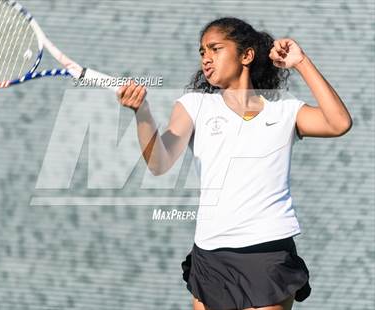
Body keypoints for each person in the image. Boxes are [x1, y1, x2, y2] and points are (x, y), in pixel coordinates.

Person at [117, 17, 352, 310]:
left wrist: (301, 62)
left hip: (267, 254)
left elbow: (339, 123)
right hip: (210, 256)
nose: (206, 58)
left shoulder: (285, 109)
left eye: (215, 48)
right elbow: (159, 162)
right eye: (202, 52)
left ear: (246, 55)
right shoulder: (194, 105)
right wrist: (142, 113)